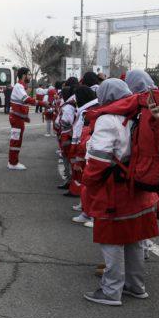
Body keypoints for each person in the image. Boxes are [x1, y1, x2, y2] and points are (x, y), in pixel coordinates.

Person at [82, 78, 159, 306]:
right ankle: (136, 286)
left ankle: (111, 291)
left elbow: (99, 158)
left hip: (113, 189)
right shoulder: (139, 113)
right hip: (140, 186)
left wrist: (89, 183)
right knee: (135, 239)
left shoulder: (107, 118)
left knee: (112, 240)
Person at [70, 86, 99, 226]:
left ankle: (94, 215)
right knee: (85, 184)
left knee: (94, 186)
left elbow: (86, 134)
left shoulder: (93, 111)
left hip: (94, 152)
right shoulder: (88, 111)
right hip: (86, 151)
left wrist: (78, 151)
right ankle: (86, 212)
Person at [8, 67, 35, 170]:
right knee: (15, 140)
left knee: (16, 140)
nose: (30, 77)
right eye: (29, 74)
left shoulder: (21, 87)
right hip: (16, 119)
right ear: (24, 75)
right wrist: (41, 103)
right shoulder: (19, 86)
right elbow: (26, 99)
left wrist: (25, 117)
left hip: (18, 118)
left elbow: (21, 105)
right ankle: (13, 163)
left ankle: (13, 161)